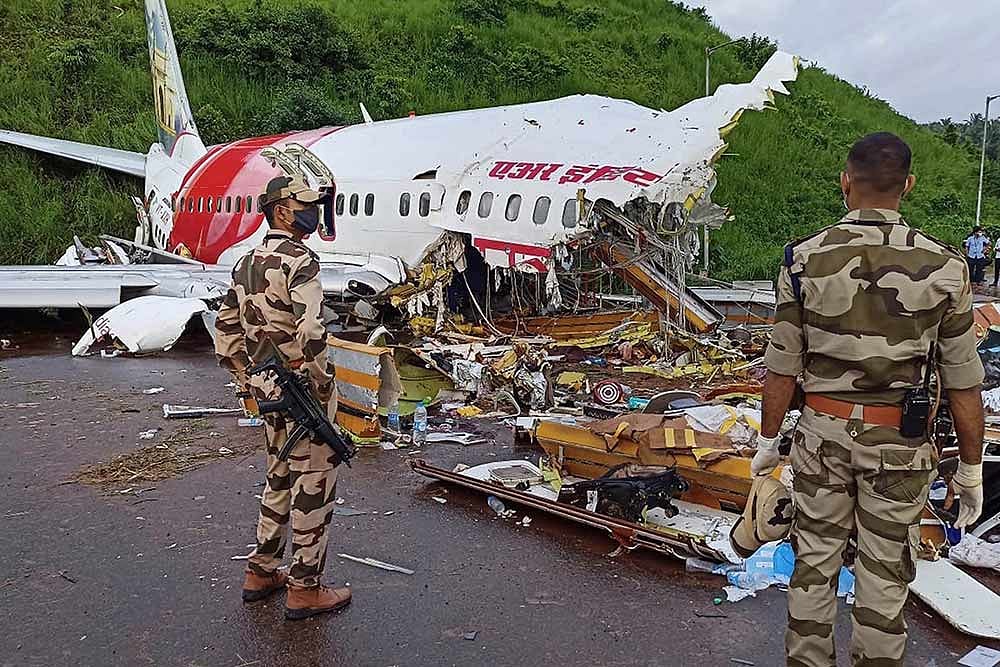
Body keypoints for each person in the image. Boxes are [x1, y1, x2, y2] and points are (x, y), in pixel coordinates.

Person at [753, 132, 985, 667]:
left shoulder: (803, 260)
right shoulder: (948, 268)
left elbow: (781, 367)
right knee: (884, 576)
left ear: (845, 182)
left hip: (821, 437)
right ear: (908, 185)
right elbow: (963, 383)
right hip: (899, 446)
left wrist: (768, 442)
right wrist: (970, 469)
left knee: (814, 565)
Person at [214, 174, 352, 620]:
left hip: (269, 389)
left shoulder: (245, 263)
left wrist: (248, 379)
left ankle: (261, 571)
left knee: (278, 475)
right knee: (313, 484)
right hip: (302, 389)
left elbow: (225, 332)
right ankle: (305, 588)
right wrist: (322, 381)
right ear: (281, 211)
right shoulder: (300, 261)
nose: (312, 213)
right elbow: (311, 330)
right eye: (304, 205)